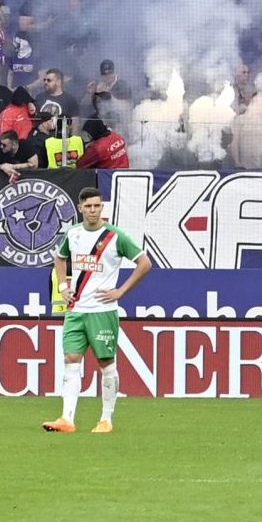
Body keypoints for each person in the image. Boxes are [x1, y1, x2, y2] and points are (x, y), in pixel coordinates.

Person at [42, 186, 153, 435]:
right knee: (71, 359)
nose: (93, 210)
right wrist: (63, 286)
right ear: (80, 208)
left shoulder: (115, 236)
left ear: (102, 207)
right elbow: (59, 258)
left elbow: (144, 263)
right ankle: (67, 419)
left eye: (97, 205)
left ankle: (106, 419)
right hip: (76, 309)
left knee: (105, 362)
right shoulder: (73, 234)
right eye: (88, 206)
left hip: (103, 310)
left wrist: (121, 291)